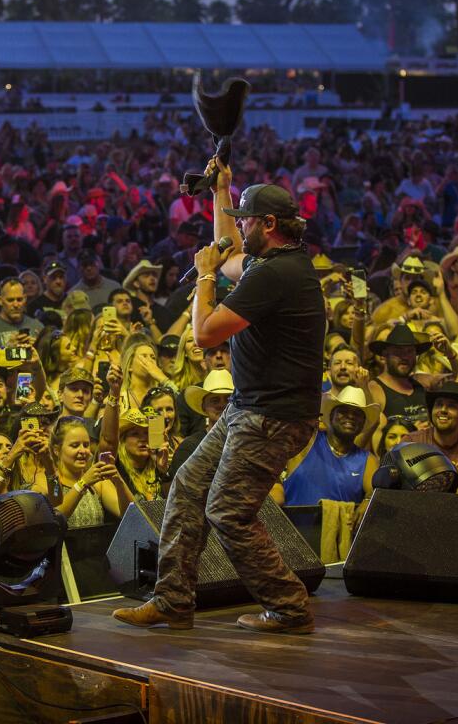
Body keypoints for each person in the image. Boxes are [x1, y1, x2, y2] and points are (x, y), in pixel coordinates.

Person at [114, 167, 326, 635]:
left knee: (229, 511)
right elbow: (231, 248)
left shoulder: (279, 275)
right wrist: (220, 188)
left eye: (246, 220)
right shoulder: (274, 263)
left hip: (272, 417)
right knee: (188, 487)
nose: (238, 227)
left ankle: (289, 606)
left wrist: (205, 276)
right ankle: (173, 600)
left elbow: (204, 332)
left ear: (268, 225)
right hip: (249, 408)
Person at [273, 386, 379, 509]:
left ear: (363, 423)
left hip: (342, 528)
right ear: (330, 416)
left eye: (357, 414)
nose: (350, 416)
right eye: (343, 411)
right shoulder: (306, 441)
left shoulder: (367, 460)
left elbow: (375, 493)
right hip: (291, 527)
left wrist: (368, 500)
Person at [401, 382, 458, 495]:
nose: (443, 409)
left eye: (451, 406)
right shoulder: (411, 442)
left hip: (457, 510)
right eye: (438, 404)